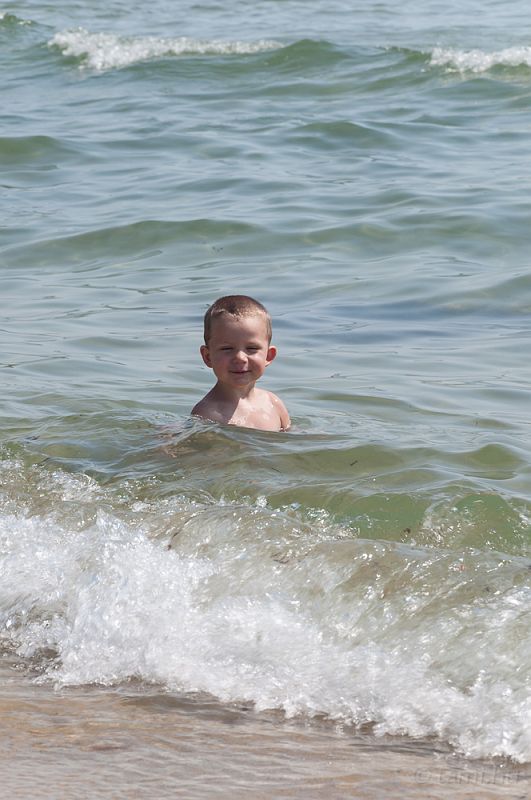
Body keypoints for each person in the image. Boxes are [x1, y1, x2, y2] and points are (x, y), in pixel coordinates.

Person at [192, 295, 290, 431]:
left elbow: (291, 438)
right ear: (208, 357)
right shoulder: (207, 414)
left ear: (268, 356)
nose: (240, 357)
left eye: (252, 348)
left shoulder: (273, 403)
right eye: (227, 349)